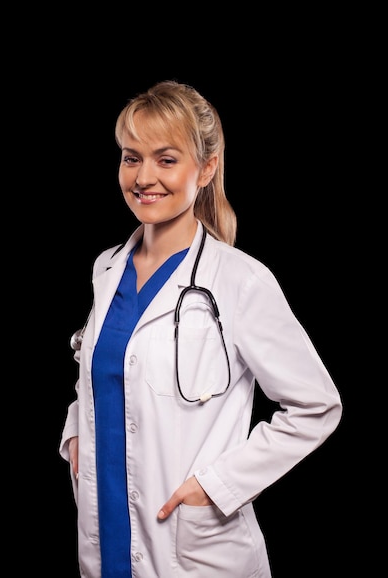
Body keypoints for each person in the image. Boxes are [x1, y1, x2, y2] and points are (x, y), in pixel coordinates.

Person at [59, 79, 343, 578]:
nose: (144, 177)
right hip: (107, 535)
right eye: (131, 157)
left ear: (206, 168)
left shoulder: (239, 280)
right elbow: (110, 372)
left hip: (193, 550)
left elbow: (316, 405)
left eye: (166, 159)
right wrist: (76, 431)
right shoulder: (107, 269)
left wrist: (216, 486)